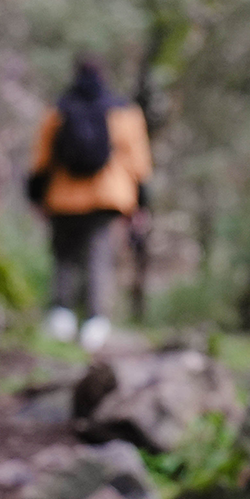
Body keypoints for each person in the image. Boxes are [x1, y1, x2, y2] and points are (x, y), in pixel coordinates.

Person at [25, 56, 152, 351]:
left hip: (63, 196)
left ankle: (61, 319)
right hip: (108, 196)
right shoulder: (124, 112)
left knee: (64, 257)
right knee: (100, 257)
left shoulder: (58, 110)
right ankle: (95, 324)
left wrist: (36, 196)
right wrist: (142, 203)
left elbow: (42, 159)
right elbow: (139, 164)